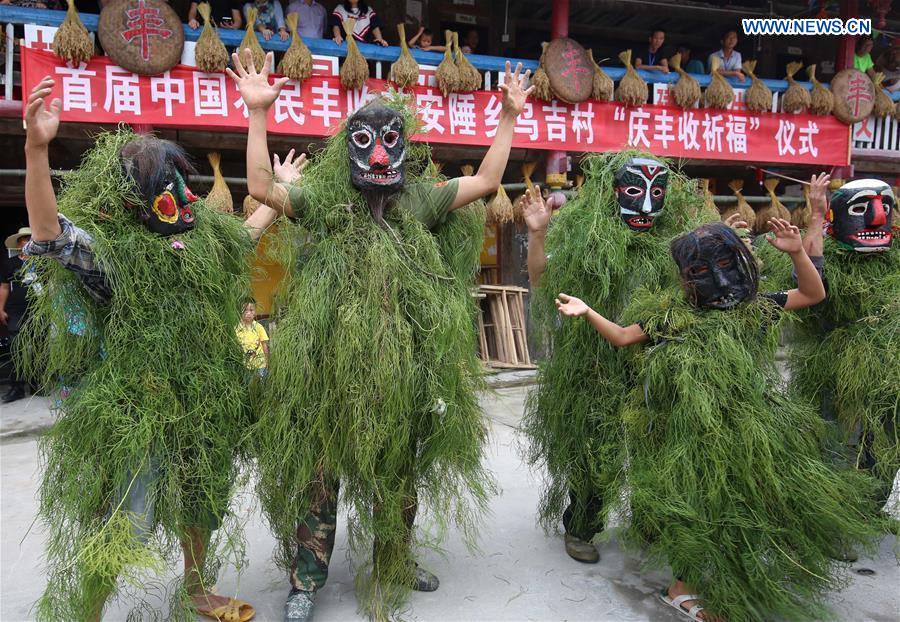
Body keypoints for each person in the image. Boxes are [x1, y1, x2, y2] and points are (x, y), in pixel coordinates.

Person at [227, 48, 532, 622]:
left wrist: (509, 115)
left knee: (398, 475)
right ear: (346, 152)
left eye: (391, 139)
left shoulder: (421, 200)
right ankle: (306, 579)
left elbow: (489, 180)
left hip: (400, 372)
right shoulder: (324, 202)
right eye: (364, 142)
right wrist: (257, 112)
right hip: (328, 372)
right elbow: (263, 185)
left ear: (406, 146)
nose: (380, 151)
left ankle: (394, 562)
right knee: (320, 478)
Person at [18, 76, 284, 622]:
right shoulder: (116, 259)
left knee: (203, 497)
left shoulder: (202, 243)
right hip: (143, 408)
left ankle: (195, 587)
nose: (186, 199)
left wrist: (272, 174)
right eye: (169, 188)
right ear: (132, 203)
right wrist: (36, 150)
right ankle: (88, 609)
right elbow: (52, 233)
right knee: (128, 514)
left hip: (206, 401)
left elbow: (246, 233)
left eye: (185, 186)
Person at [554, 218, 877, 622]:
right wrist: (587, 311)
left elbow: (813, 293)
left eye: (726, 263)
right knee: (699, 506)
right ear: (687, 279)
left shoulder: (756, 309)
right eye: (702, 272)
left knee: (744, 505)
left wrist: (797, 251)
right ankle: (681, 588)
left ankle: (734, 579)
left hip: (749, 427)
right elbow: (622, 336)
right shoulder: (675, 319)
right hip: (689, 434)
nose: (720, 280)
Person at [520, 153, 700, 565]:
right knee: (595, 455)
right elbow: (543, 282)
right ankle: (581, 526)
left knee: (654, 452)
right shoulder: (587, 243)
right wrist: (539, 235)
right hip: (594, 367)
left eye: (658, 193)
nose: (647, 207)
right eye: (634, 192)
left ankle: (652, 524)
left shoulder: (675, 249)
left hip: (653, 369)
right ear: (610, 194)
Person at [786, 176, 899, 519]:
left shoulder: (893, 263)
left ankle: (863, 515)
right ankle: (831, 518)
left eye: (885, 208)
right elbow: (809, 282)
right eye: (861, 209)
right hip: (834, 372)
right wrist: (817, 216)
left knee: (885, 447)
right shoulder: (831, 258)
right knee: (834, 445)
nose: (877, 218)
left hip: (889, 378)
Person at [1, 227, 34, 404]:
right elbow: (4, 287)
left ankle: (38, 384)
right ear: (18, 243)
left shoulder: (43, 261)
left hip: (38, 310)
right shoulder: (11, 263)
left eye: (29, 238)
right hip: (16, 310)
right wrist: (1, 308)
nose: (26, 242)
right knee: (16, 348)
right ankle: (17, 388)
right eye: (23, 239)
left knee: (40, 346)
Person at [236, 300, 269, 376]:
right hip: (244, 365)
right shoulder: (236, 329)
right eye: (245, 310)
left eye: (251, 310)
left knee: (261, 385)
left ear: (255, 312)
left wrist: (267, 362)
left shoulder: (259, 327)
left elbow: (264, 345)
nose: (248, 313)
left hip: (260, 365)